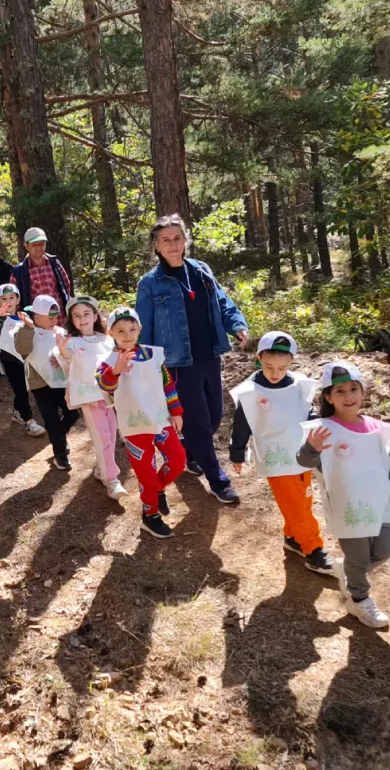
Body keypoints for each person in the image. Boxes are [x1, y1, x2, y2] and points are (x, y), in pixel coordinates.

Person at [136, 214, 248, 505]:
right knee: (198, 422)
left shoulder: (201, 270)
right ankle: (217, 480)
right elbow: (144, 327)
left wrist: (236, 324)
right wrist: (147, 366)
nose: (173, 245)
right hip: (177, 363)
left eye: (177, 238)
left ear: (185, 241)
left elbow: (222, 301)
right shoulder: (150, 283)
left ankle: (187, 451)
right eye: (165, 240)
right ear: (156, 247)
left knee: (213, 415)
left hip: (210, 354)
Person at [297, 361, 390, 628]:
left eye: (353, 389)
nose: (348, 397)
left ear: (362, 392)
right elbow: (302, 461)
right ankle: (358, 599)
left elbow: (382, 463)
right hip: (348, 507)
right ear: (328, 397)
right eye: (340, 392)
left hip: (378, 502)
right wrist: (312, 448)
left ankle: (348, 573)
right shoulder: (323, 429)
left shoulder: (375, 426)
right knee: (358, 558)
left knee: (385, 549)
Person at [229, 332, 335, 576]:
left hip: (302, 453)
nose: (275, 374)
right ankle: (313, 549)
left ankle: (293, 537)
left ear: (291, 363)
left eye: (282, 368)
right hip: (275, 457)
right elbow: (242, 424)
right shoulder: (250, 391)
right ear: (258, 358)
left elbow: (307, 414)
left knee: (303, 498)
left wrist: (319, 432)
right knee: (297, 505)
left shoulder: (299, 384)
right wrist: (237, 452)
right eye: (268, 367)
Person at [97, 306, 186, 539]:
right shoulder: (108, 360)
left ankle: (159, 488)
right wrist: (116, 370)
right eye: (120, 330)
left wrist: (176, 412)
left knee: (177, 460)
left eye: (132, 329)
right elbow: (104, 385)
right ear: (111, 333)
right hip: (134, 428)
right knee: (145, 474)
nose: (127, 335)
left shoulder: (154, 355)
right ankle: (150, 514)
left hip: (160, 421)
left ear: (140, 329)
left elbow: (168, 385)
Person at [56, 295, 123, 499]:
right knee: (102, 438)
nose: (82, 318)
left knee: (111, 436)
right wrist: (61, 348)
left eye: (86, 313)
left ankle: (102, 471)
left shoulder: (108, 340)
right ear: (71, 320)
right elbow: (66, 356)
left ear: (95, 315)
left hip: (110, 398)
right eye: (77, 316)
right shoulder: (73, 342)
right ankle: (112, 480)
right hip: (90, 399)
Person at [14, 295, 79, 470]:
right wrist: (27, 328)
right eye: (50, 317)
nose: (54, 320)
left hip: (63, 383)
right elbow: (22, 349)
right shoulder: (27, 331)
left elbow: (71, 353)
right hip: (41, 386)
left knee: (73, 414)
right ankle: (60, 454)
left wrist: (63, 359)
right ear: (36, 317)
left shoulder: (60, 331)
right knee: (52, 421)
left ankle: (59, 435)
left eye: (56, 316)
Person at [0, 283, 45, 438]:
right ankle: (29, 421)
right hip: (10, 360)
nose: (8, 301)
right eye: (3, 299)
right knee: (21, 390)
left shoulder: (24, 317)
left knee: (25, 389)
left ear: (18, 300)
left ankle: (17, 412)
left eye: (11, 297)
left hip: (25, 360)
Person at [10, 227, 73, 325]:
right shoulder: (19, 271)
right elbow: (14, 299)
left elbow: (66, 286)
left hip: (60, 319)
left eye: (41, 244)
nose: (38, 247)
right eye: (34, 245)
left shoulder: (54, 263)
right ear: (26, 246)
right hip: (37, 322)